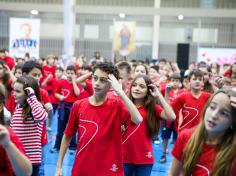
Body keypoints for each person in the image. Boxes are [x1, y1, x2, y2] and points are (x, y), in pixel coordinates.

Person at [55, 62, 143, 176]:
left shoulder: (117, 105)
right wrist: (59, 166)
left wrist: (120, 92)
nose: (97, 83)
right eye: (95, 78)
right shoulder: (78, 105)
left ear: (111, 84)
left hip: (109, 171)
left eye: (103, 80)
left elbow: (138, 119)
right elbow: (67, 136)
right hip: (81, 169)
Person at [169, 89, 236, 176]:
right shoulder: (186, 137)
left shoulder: (233, 151)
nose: (213, 115)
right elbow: (173, 174)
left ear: (232, 122)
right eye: (212, 107)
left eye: (224, 113)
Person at [122, 75, 176, 176]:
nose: (137, 88)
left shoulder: (152, 108)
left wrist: (158, 95)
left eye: (142, 86)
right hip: (123, 157)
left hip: (144, 159)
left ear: (148, 90)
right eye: (135, 85)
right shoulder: (123, 106)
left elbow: (172, 117)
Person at [11, 76, 48, 176]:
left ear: (28, 94)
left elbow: (42, 117)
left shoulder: (35, 107)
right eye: (14, 90)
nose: (14, 94)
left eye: (18, 91)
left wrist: (32, 97)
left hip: (31, 159)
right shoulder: (19, 107)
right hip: (18, 158)